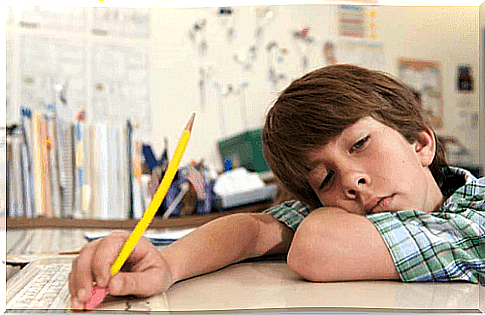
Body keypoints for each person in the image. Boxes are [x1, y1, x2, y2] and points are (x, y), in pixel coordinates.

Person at [69, 64, 484, 310]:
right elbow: (253, 230)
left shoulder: (477, 214)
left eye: (360, 144)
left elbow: (316, 244)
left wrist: (318, 221)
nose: (353, 182)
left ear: (421, 143)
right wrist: (168, 264)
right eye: (325, 179)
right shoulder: (353, 213)